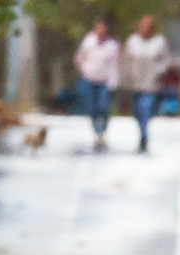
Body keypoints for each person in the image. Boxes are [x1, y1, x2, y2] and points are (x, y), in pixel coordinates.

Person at [122, 15, 172, 152]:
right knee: (137, 112)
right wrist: (125, 79)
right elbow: (126, 61)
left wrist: (157, 71)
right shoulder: (133, 41)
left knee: (146, 108)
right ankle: (142, 130)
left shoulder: (159, 42)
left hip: (150, 84)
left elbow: (165, 61)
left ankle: (144, 135)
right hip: (135, 83)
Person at [74, 21, 119, 151]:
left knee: (103, 107)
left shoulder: (112, 46)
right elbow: (79, 58)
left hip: (104, 82)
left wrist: (113, 82)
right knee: (91, 108)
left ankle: (103, 130)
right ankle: (97, 132)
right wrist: (85, 70)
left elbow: (113, 65)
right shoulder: (88, 42)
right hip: (89, 80)